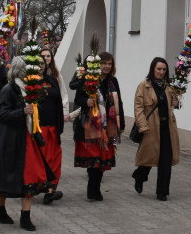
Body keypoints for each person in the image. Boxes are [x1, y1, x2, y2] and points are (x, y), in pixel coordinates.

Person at [0, 56, 51, 231]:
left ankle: (26, 216)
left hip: (28, 138)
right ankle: (0, 209)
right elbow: (2, 114)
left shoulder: (30, 89)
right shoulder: (9, 89)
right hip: (10, 140)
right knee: (5, 175)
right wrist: (22, 111)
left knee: (31, 176)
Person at [72, 51, 123, 201]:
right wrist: (85, 101)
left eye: (109, 64)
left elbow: (119, 102)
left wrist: (122, 123)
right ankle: (91, 187)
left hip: (109, 125)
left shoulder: (113, 81)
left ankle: (96, 187)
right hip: (91, 125)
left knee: (102, 159)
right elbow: (78, 98)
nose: (107, 67)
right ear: (98, 65)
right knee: (93, 159)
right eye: (104, 63)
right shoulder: (88, 79)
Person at [133, 57, 181, 201]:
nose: (161, 72)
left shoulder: (169, 86)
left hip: (167, 127)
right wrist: (142, 126)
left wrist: (176, 102)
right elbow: (138, 108)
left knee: (166, 159)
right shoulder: (144, 86)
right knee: (149, 157)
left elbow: (175, 105)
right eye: (158, 69)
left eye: (164, 70)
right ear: (153, 69)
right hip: (151, 127)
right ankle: (139, 176)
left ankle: (162, 191)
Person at [36, 46, 66, 205]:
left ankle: (51, 190)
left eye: (43, 63)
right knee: (42, 159)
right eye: (38, 62)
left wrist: (60, 123)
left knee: (55, 158)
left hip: (53, 127)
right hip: (39, 128)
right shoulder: (29, 83)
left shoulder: (52, 80)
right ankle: (42, 188)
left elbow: (59, 103)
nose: (41, 65)